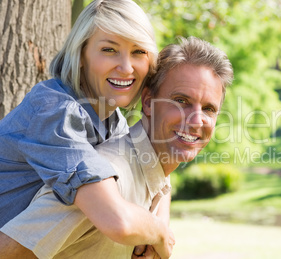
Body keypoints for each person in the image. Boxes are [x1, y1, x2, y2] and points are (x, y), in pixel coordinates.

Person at [0, 37, 234, 258]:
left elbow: (163, 183)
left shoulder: (152, 165)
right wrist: (158, 231)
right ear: (148, 102)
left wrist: (159, 225)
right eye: (181, 101)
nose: (196, 120)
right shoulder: (104, 183)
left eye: (209, 109)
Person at [0, 0, 175, 257]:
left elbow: (155, 174)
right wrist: (160, 234)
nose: (126, 68)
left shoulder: (111, 120)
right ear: (80, 55)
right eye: (109, 49)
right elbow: (118, 222)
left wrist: (158, 220)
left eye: (138, 52)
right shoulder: (56, 112)